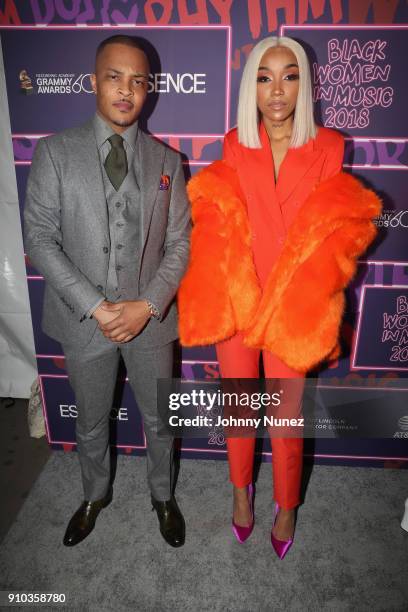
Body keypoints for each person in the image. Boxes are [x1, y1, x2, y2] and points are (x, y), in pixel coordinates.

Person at [178, 36, 381, 558]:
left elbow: (331, 232)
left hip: (293, 309)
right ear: (251, 86)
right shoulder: (233, 142)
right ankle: (241, 492)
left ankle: (286, 505)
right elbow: (226, 223)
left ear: (304, 84)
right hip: (242, 302)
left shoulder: (331, 146)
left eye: (288, 75)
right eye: (264, 77)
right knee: (241, 411)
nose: (276, 89)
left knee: (287, 420)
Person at [24, 35, 191, 548]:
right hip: (84, 323)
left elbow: (181, 244)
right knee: (91, 423)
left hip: (152, 321)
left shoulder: (168, 162)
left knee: (161, 423)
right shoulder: (54, 152)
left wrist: (146, 305)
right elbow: (40, 238)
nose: (126, 90)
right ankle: (95, 494)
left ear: (149, 90)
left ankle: (163, 496)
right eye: (115, 77)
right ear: (94, 82)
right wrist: (97, 306)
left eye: (138, 81)